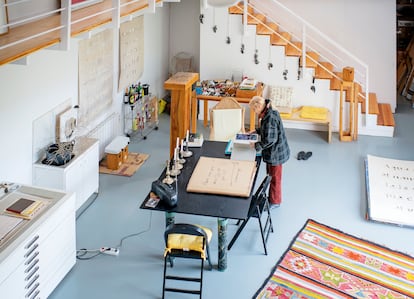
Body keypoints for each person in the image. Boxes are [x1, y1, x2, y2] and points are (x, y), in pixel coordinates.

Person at [249, 96, 290, 208]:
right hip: (274, 153)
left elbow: (270, 139)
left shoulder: (269, 117)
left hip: (276, 153)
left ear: (258, 107)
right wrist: (256, 131)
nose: (253, 112)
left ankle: (275, 201)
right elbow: (266, 129)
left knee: (275, 179)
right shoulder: (268, 112)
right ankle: (272, 197)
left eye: (254, 109)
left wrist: (257, 145)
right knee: (270, 176)